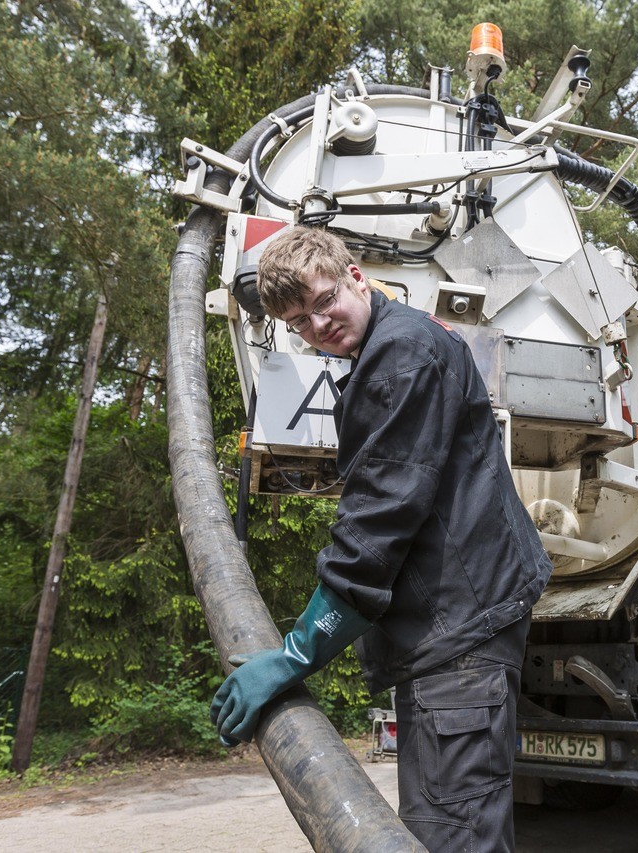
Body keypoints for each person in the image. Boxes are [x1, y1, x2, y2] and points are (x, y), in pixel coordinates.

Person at [211, 226, 553, 852]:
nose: (317, 325)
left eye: (324, 302)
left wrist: (296, 654)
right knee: (448, 824)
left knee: (453, 836)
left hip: (459, 632)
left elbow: (380, 518)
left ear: (356, 277)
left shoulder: (402, 355)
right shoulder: (394, 350)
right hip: (455, 628)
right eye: (298, 321)